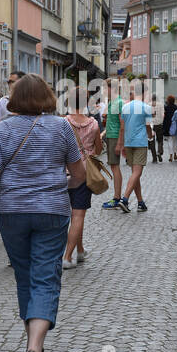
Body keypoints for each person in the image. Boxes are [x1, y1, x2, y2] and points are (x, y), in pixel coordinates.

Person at [0, 75, 85, 352]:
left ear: (15, 98)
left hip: (13, 212)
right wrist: (62, 186)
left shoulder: (4, 129)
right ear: (48, 96)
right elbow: (79, 173)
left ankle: (32, 344)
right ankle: (35, 347)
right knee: (46, 276)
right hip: (52, 211)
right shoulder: (62, 127)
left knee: (24, 275)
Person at [62, 86, 103, 269]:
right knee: (78, 215)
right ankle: (67, 256)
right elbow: (99, 150)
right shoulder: (93, 124)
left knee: (71, 215)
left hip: (64, 172)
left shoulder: (63, 122)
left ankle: (79, 251)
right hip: (84, 173)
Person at [117, 84, 154, 212]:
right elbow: (148, 126)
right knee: (137, 172)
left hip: (129, 142)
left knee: (134, 173)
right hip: (140, 142)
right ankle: (125, 199)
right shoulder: (146, 107)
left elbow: (122, 126)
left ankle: (140, 202)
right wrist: (150, 135)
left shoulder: (125, 107)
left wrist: (120, 143)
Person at [101, 84, 126, 210]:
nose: (104, 90)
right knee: (113, 166)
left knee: (115, 167)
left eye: (105, 88)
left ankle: (117, 198)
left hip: (115, 137)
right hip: (111, 135)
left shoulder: (119, 102)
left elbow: (122, 124)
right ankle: (116, 197)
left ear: (113, 89)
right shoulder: (112, 102)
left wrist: (120, 143)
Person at [0, 70, 23, 138]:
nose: (9, 85)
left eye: (12, 82)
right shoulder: (4, 101)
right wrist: (4, 131)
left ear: (22, 83)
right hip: (6, 139)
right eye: (8, 82)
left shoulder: (31, 101)